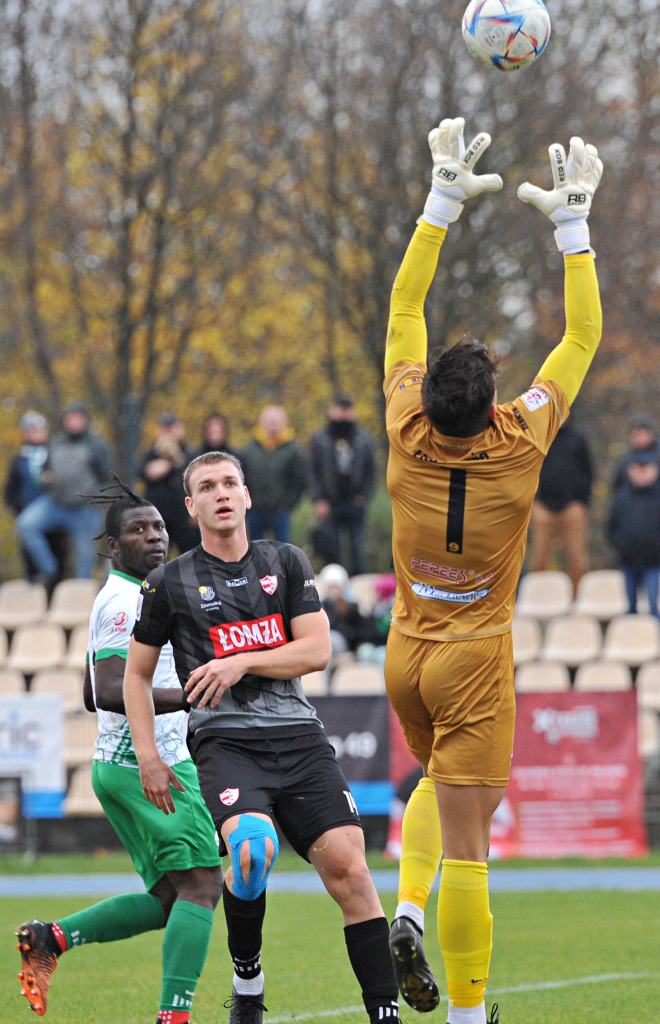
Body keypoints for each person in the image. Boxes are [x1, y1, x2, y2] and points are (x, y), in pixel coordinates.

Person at [382, 119, 603, 1024]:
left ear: (430, 394)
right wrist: (573, 227)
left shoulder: (402, 430)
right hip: (474, 657)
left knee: (436, 790)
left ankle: (404, 908)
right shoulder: (521, 441)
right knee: (473, 844)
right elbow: (581, 337)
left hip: (405, 651)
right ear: (493, 402)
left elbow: (403, 310)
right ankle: (471, 1018)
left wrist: (439, 203)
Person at [123, 450, 400, 1024]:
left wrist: (240, 662)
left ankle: (385, 1014)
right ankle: (248, 978)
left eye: (231, 483)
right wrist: (148, 754)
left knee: (351, 868)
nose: (221, 493)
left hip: (299, 738)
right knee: (251, 853)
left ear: (247, 496)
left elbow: (317, 650)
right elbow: (136, 675)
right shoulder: (168, 582)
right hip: (226, 744)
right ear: (191, 505)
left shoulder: (287, 560)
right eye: (208, 486)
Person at [15, 480, 222, 1024]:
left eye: (157, 527)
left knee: (171, 900)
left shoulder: (136, 594)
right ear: (113, 545)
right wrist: (192, 695)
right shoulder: (125, 599)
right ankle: (173, 1017)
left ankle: (50, 939)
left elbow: (89, 691)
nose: (153, 536)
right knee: (203, 884)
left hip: (123, 763)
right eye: (138, 529)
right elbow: (108, 689)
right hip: (149, 763)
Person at [15, 402, 115, 582]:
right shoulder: (55, 443)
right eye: (70, 418)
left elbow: (109, 478)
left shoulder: (97, 445)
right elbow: (45, 470)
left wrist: (94, 496)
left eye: (77, 418)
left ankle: (80, 597)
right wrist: (47, 478)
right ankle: (48, 569)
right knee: (26, 524)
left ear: (85, 420)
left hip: (84, 508)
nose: (73, 422)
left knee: (84, 557)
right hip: (55, 502)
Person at [307, 396, 377, 575]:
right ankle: (333, 588)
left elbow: (372, 470)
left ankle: (359, 585)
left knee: (357, 548)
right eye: (340, 409)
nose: (344, 414)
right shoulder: (320, 439)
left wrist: (365, 495)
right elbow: (312, 471)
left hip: (355, 501)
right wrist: (319, 499)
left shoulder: (364, 439)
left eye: (347, 410)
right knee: (331, 548)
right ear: (332, 410)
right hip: (330, 501)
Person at [606, 451, 660, 619]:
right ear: (630, 471)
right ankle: (632, 641)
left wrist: (658, 546)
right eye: (638, 468)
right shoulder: (621, 497)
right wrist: (622, 546)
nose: (642, 472)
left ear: (655, 471)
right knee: (630, 607)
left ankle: (656, 639)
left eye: (646, 468)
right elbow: (611, 527)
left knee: (654, 605)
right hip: (628, 560)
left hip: (654, 561)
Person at [529, 415, 594, 593]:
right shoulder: (541, 438)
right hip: (543, 507)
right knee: (538, 558)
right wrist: (536, 498)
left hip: (572, 507)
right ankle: (540, 598)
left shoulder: (578, 440)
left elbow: (588, 473)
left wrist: (581, 500)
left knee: (577, 558)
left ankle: (577, 600)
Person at [3, 410, 70, 582]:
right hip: (29, 516)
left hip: (56, 520)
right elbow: (9, 492)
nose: (37, 434)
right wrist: (21, 510)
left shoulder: (56, 455)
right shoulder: (19, 460)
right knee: (31, 563)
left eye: (40, 430)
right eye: (32, 430)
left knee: (59, 561)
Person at [241, 404, 306, 543]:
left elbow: (299, 481)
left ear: (284, 424)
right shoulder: (250, 449)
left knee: (283, 551)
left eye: (276, 422)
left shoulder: (293, 450)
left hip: (280, 512)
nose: (272, 426)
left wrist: (288, 505)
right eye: (269, 422)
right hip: (255, 511)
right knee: (254, 551)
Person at [139, 413, 200, 554]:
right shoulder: (151, 453)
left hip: (184, 516)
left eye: (171, 428)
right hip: (157, 516)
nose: (168, 433)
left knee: (190, 556)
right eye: (165, 429)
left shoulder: (190, 453)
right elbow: (147, 472)